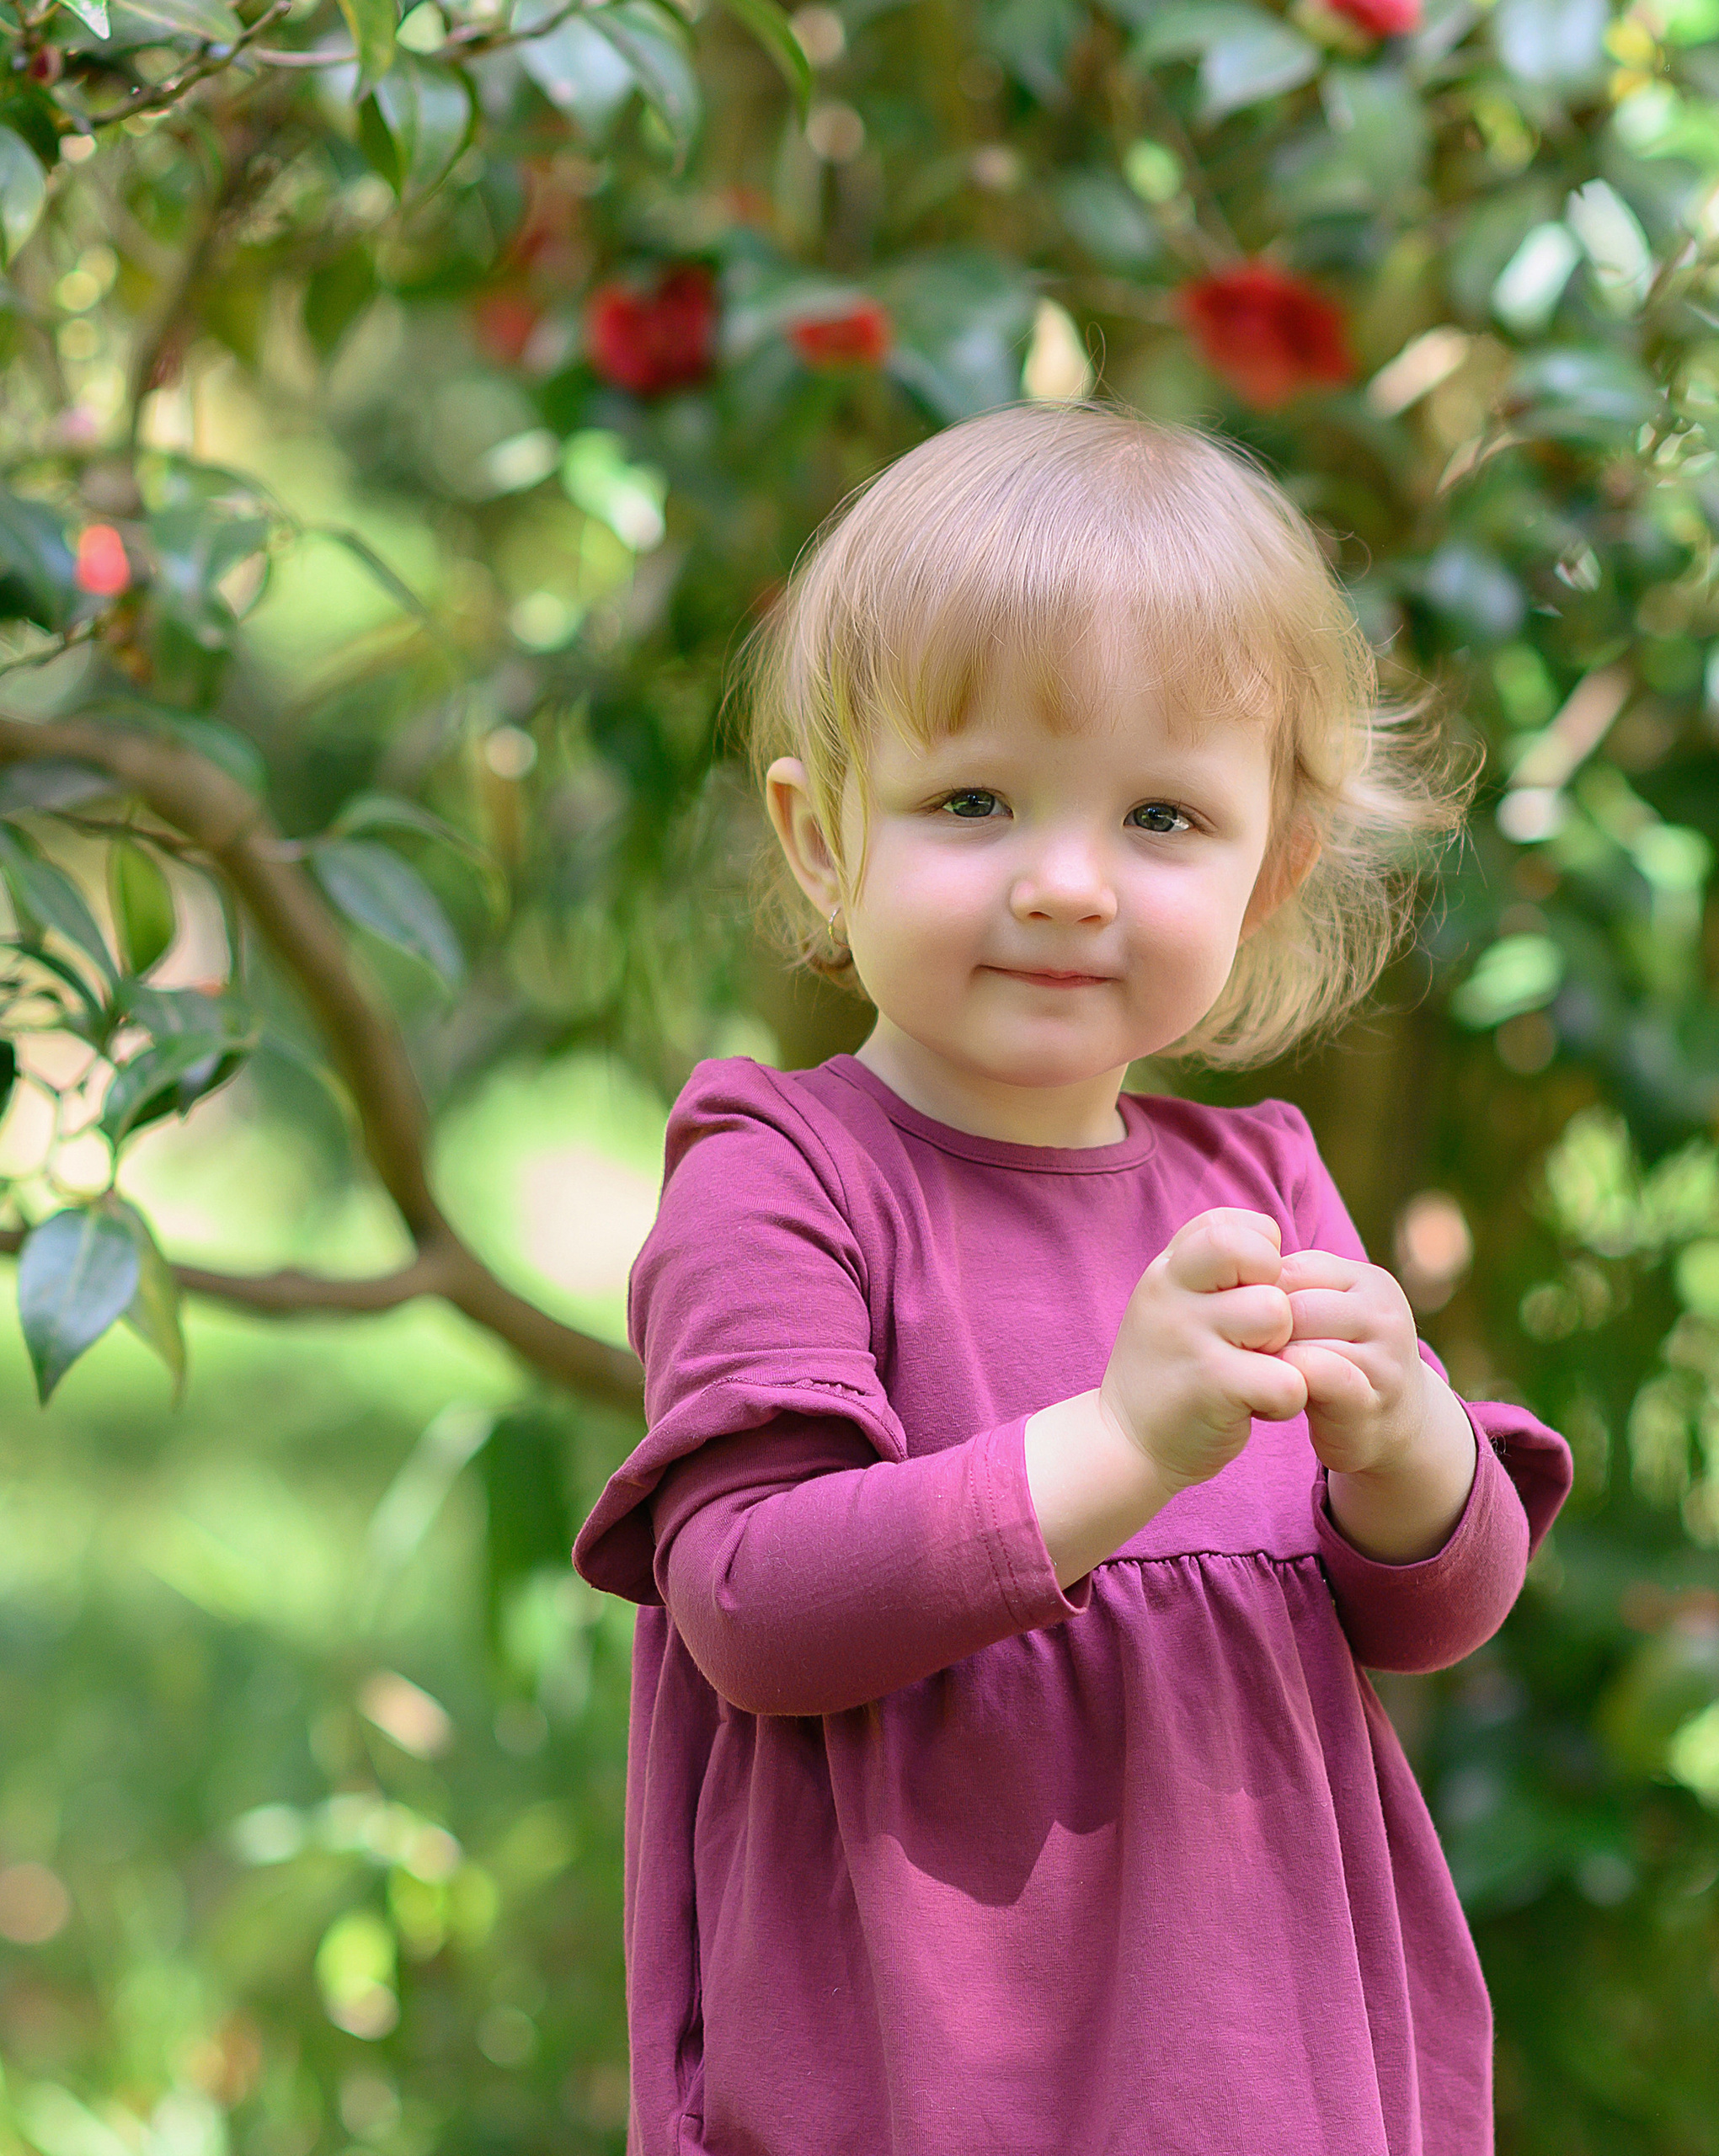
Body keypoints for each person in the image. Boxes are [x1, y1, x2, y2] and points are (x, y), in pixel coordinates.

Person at [573, 403, 1572, 2156]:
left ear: (1264, 872)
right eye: (973, 799)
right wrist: (1121, 1439)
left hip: (1259, 2072)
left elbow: (1429, 1609)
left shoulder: (1257, 1184)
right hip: (914, 2077)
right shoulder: (780, 1173)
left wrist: (1407, 1442)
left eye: (1159, 816)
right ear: (824, 838)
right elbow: (748, 1596)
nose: (1060, 881)